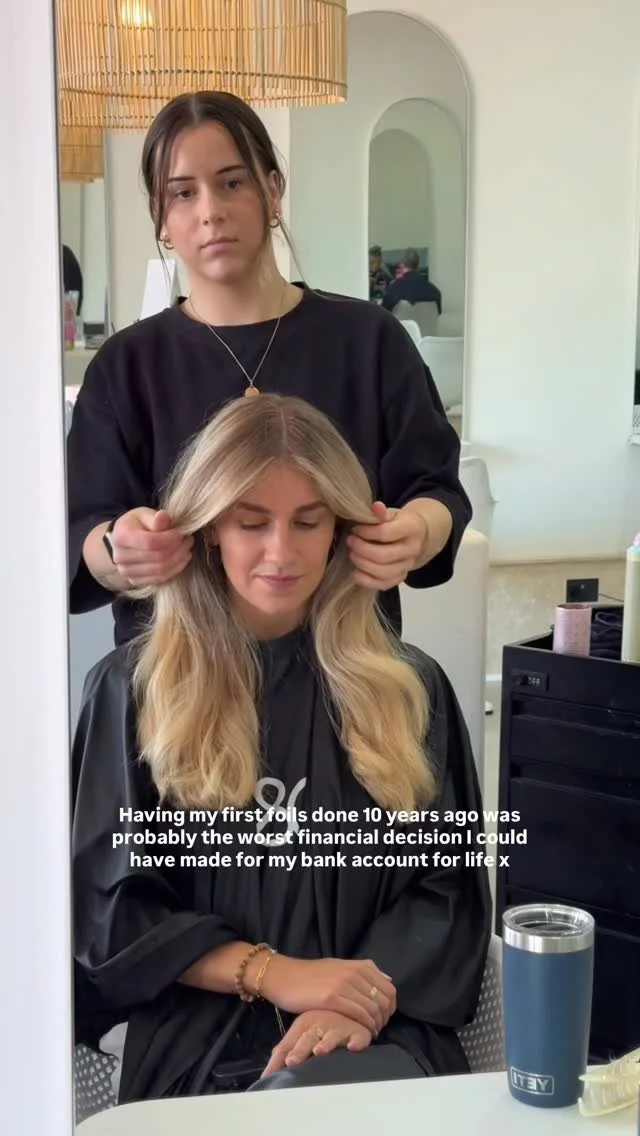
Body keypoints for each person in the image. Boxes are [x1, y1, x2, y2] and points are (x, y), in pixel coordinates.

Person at [72, 394, 492, 1103]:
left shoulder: (408, 689)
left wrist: (347, 1001)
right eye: (251, 522)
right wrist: (278, 975)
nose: (281, 552)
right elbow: (108, 911)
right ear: (210, 531)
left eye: (308, 521)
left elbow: (445, 892)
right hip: (202, 1028)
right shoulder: (134, 690)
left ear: (341, 529)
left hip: (379, 1023)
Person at [66, 90, 471, 649]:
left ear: (273, 191)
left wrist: (417, 531)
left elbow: (437, 490)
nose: (210, 211)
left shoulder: (368, 341)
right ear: (163, 219)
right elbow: (83, 531)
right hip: (176, 676)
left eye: (232, 182)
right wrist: (120, 549)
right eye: (183, 193)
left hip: (347, 669)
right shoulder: (126, 366)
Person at [382, 248, 443, 315]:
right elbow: (438, 313)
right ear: (417, 265)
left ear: (402, 264)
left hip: (400, 322)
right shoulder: (435, 292)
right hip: (427, 322)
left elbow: (383, 313)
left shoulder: (394, 289)